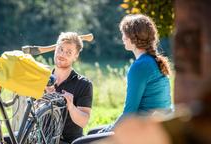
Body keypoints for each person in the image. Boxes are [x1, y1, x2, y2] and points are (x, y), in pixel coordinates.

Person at [72, 14, 172, 144]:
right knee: (93, 132)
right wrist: (108, 128)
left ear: (133, 37)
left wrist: (109, 129)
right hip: (152, 127)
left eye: (124, 34)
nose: (123, 38)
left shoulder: (140, 66)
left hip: (142, 131)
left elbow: (129, 113)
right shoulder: (153, 61)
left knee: (79, 143)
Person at [45, 32, 93, 144]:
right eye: (60, 49)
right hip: (41, 138)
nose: (62, 54)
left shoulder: (84, 84)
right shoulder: (43, 79)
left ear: (75, 56)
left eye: (69, 52)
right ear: (55, 49)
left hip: (68, 142)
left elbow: (83, 121)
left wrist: (70, 106)